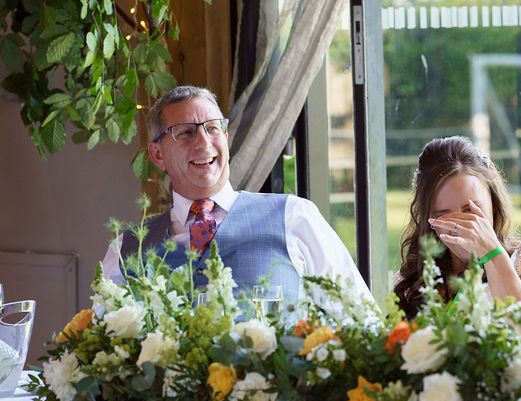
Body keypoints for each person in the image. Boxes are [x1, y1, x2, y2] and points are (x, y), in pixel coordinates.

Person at [102, 85, 370, 304]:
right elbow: (102, 349)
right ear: (158, 155)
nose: (204, 143)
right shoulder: (125, 249)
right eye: (186, 132)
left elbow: (360, 318)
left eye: (213, 128)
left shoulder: (294, 217)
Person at [393, 136, 521, 318]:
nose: (461, 224)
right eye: (444, 215)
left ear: (493, 201)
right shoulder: (416, 280)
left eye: (470, 209)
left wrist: (492, 253)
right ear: (429, 220)